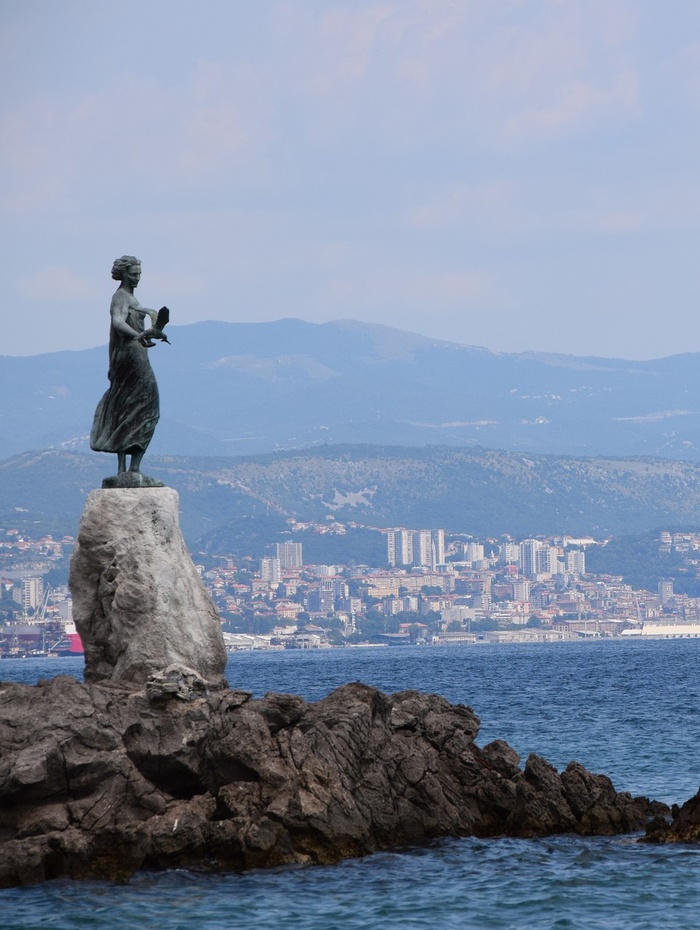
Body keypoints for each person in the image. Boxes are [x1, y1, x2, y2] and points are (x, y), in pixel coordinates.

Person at [90, 255, 168, 478]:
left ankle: (128, 469)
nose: (137, 278)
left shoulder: (130, 298)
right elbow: (117, 322)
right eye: (133, 274)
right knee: (147, 404)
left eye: (139, 275)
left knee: (129, 404)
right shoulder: (120, 297)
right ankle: (129, 469)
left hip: (132, 354)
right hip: (132, 355)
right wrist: (140, 335)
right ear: (122, 274)